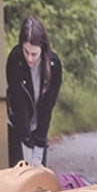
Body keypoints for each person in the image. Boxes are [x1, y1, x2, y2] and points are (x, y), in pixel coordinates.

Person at [6, 16, 62, 167]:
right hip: (18, 127)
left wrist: (38, 147)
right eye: (26, 51)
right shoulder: (15, 60)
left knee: (38, 177)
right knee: (20, 177)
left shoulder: (54, 65)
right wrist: (27, 147)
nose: (29, 58)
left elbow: (47, 107)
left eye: (34, 54)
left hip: (38, 126)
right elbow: (19, 106)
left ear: (42, 49)